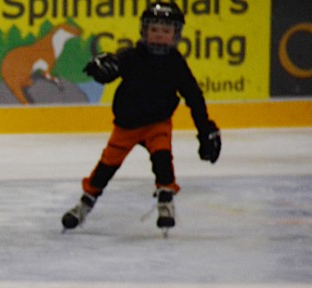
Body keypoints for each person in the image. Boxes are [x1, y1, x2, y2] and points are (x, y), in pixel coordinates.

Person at [61, 1, 221, 234]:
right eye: (154, 30)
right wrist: (103, 69)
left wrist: (204, 128)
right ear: (144, 31)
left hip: (158, 124)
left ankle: (165, 200)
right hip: (126, 126)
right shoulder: (133, 56)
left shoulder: (176, 64)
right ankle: (85, 204)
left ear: (176, 35)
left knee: (163, 159)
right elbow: (113, 68)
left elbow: (194, 97)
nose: (159, 36)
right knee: (106, 167)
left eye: (166, 31)